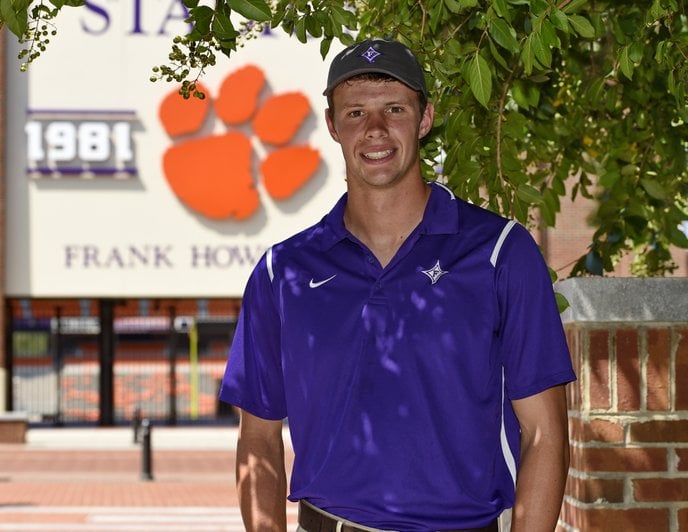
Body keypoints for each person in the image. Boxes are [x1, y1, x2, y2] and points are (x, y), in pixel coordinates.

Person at [219, 38, 576, 532]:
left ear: (425, 118)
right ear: (332, 127)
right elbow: (257, 439)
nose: (375, 130)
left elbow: (545, 433)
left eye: (394, 109)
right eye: (355, 113)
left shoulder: (499, 253)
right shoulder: (285, 272)